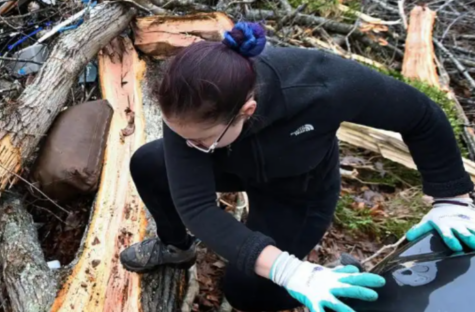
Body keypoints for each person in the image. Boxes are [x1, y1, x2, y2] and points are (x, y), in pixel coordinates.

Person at [120, 21, 475, 312]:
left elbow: (421, 115)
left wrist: (452, 199)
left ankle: (342, 278)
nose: (190, 149)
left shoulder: (323, 84)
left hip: (297, 188)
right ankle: (175, 248)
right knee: (149, 163)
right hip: (235, 164)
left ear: (247, 111)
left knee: (245, 290)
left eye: (202, 141)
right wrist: (285, 266)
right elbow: (196, 206)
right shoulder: (185, 101)